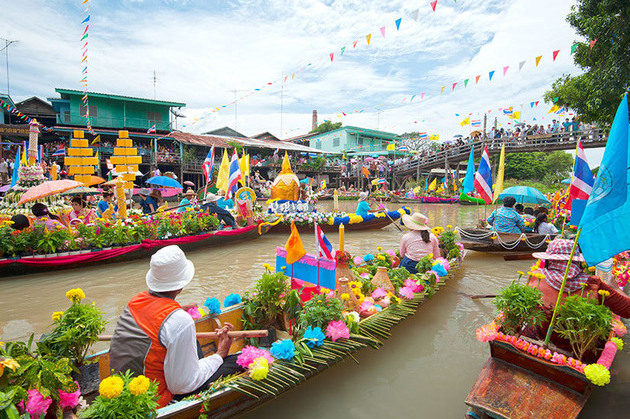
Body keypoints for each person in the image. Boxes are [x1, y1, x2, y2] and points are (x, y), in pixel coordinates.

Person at [109, 246, 243, 408]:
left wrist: (178, 311)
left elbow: (157, 317)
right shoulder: (179, 320)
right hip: (155, 401)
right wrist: (219, 354)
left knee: (191, 342)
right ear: (181, 284)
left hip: (123, 388)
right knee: (240, 361)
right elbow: (181, 385)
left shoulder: (135, 301)